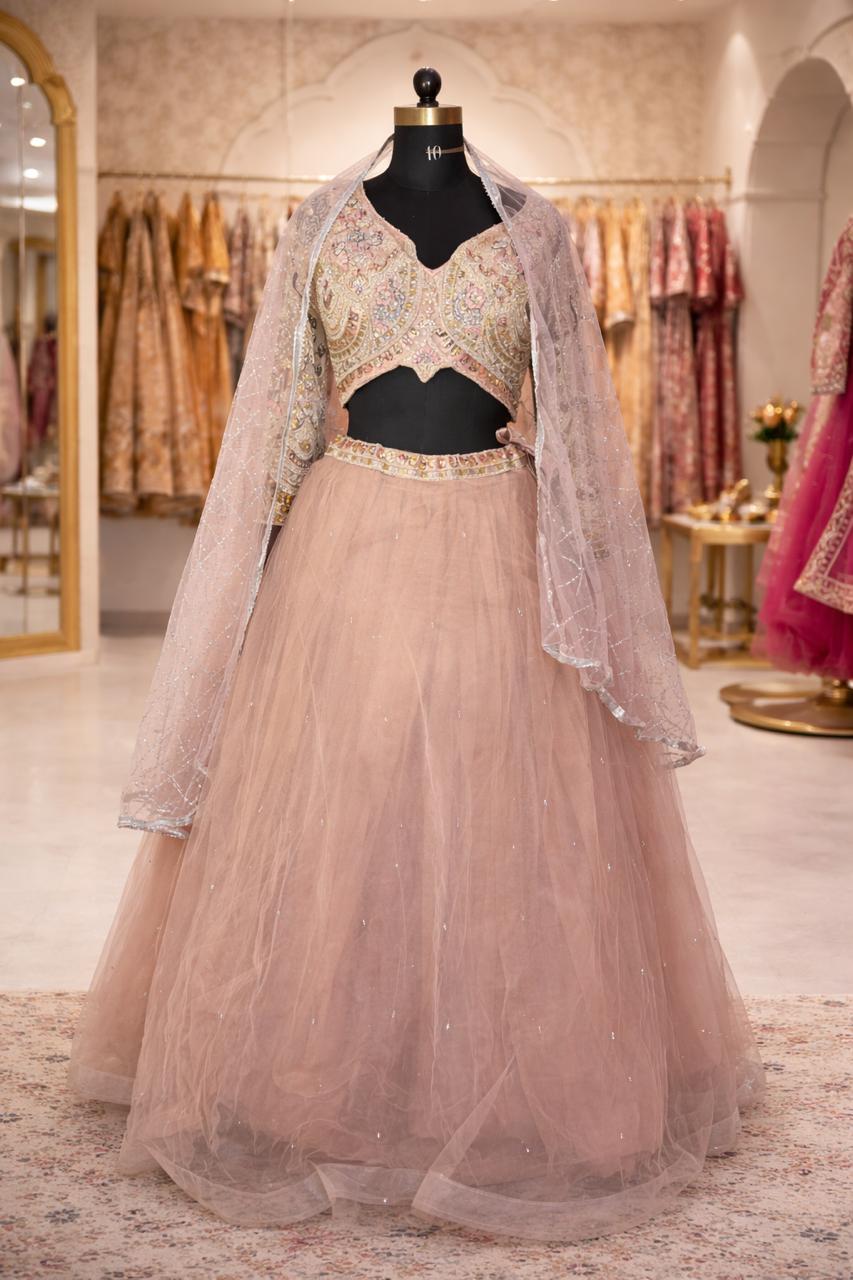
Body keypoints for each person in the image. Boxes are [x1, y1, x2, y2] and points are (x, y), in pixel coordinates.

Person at [69, 130, 764, 1244]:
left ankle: (508, 1078)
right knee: (342, 798)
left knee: (507, 803)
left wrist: (595, 584)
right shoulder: (318, 221)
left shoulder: (535, 229)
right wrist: (251, 572)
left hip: (500, 528)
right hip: (346, 535)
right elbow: (285, 412)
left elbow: (581, 422)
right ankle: (313, 1073)